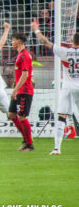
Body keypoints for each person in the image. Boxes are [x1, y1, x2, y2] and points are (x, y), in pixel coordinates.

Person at [31, 20, 78, 155]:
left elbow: (44, 42)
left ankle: (57, 148)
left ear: (72, 41)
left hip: (68, 86)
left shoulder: (64, 51)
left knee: (62, 116)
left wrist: (36, 29)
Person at [8, 32, 34, 151]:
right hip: (19, 90)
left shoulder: (24, 55)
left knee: (22, 117)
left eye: (13, 40)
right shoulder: (19, 55)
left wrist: (15, 90)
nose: (11, 42)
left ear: (19, 41)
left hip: (24, 90)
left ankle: (29, 144)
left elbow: (25, 75)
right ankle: (25, 139)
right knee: (11, 114)